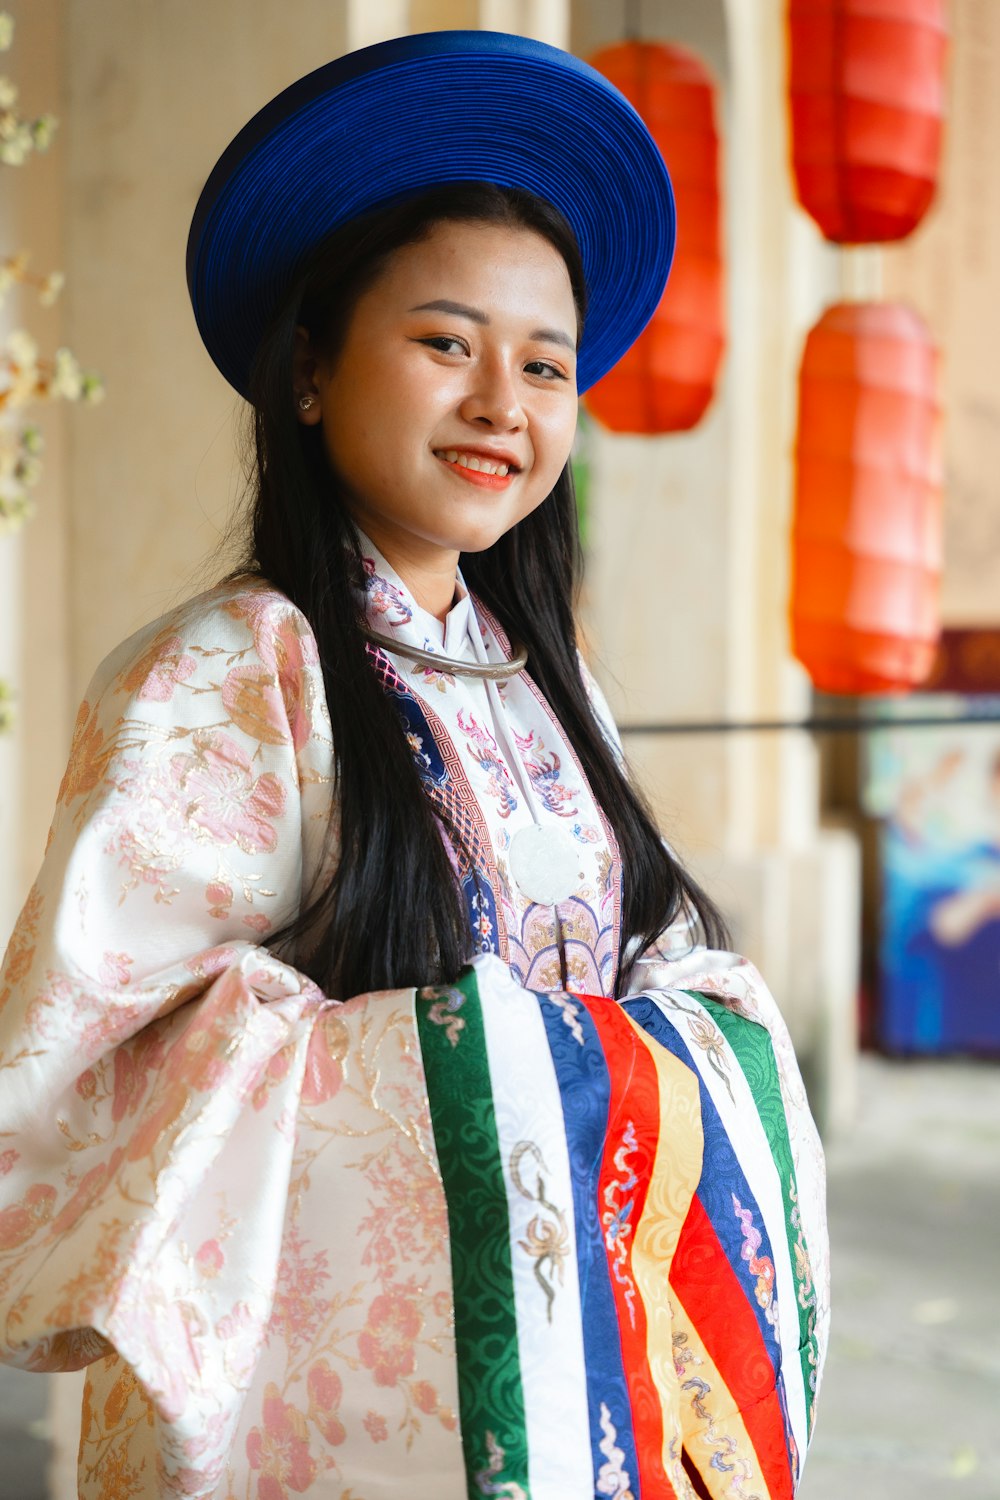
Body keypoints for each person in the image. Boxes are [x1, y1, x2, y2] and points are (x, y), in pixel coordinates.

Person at [0, 31, 828, 1500]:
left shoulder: (550, 691)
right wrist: (496, 1069)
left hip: (585, 1404)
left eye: (546, 364)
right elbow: (93, 1074)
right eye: (448, 343)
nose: (504, 401)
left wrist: (650, 1050)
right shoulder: (222, 675)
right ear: (309, 370)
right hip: (322, 1436)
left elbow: (647, 959)